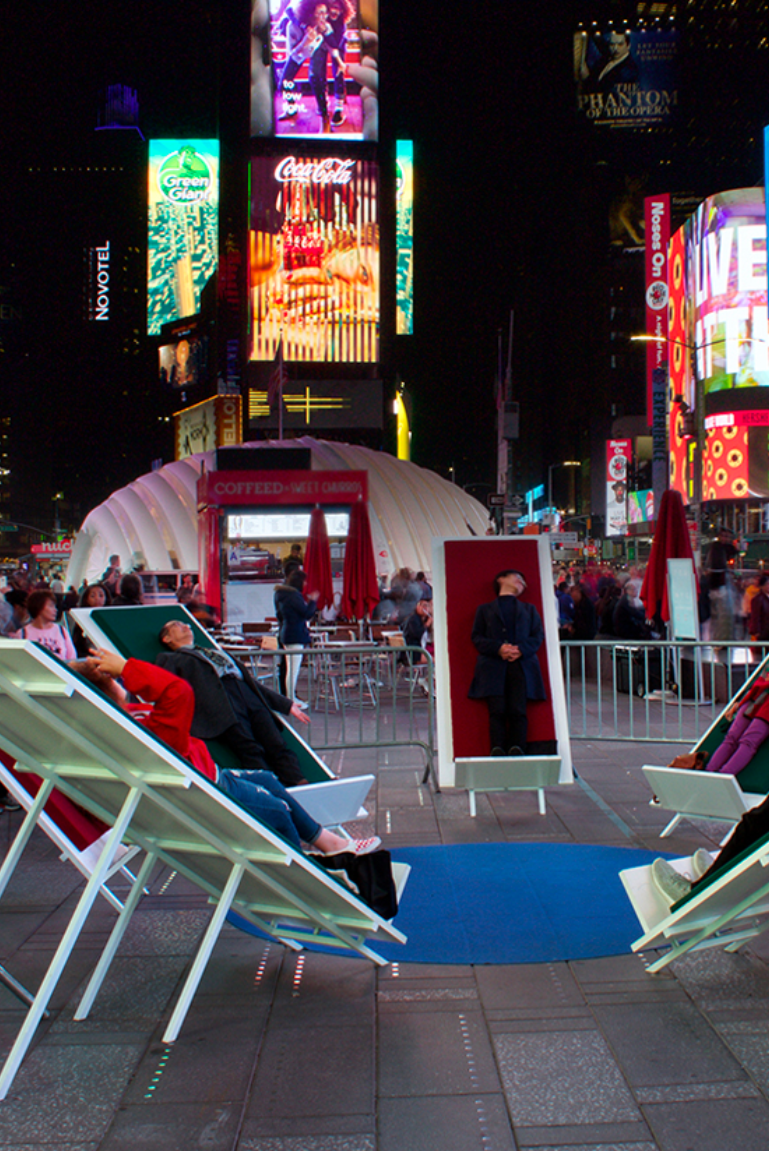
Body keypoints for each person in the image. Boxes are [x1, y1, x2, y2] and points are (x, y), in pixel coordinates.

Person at [82, 649, 379, 857]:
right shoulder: (140, 734)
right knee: (277, 811)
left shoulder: (126, 720)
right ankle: (305, 872)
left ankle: (329, 844)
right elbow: (178, 692)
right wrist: (126, 668)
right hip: (208, 789)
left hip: (211, 775)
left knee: (268, 780)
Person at [156, 618, 309, 787]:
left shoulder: (214, 651)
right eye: (177, 626)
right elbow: (167, 687)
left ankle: (299, 782)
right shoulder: (170, 658)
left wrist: (286, 704)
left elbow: (252, 683)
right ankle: (270, 789)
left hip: (245, 692)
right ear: (167, 639)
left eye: (186, 624)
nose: (186, 626)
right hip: (220, 701)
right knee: (250, 748)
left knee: (276, 742)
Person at [468, 569, 546, 756]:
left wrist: (521, 649)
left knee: (519, 709)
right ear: (501, 579)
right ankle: (497, 747)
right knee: (496, 710)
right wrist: (498, 648)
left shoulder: (529, 609)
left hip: (521, 665)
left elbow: (538, 635)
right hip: (493, 666)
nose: (522, 583)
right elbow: (476, 637)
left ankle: (517, 747)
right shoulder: (484, 610)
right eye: (518, 578)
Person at [273, 568, 318, 705]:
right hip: (295, 634)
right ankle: (291, 699)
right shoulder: (294, 596)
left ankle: (289, 697)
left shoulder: (280, 595)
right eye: (304, 582)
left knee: (290, 668)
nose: (305, 585)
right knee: (293, 670)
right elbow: (306, 614)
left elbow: (280, 615)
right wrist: (313, 601)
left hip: (286, 632)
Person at [12, 589, 76, 660]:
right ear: (39, 607)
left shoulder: (62, 631)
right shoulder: (22, 634)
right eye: (51, 606)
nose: (55, 610)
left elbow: (72, 658)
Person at [71, 582, 113, 658]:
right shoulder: (81, 620)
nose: (97, 599)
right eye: (93, 596)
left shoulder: (111, 618)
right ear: (86, 599)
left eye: (101, 595)